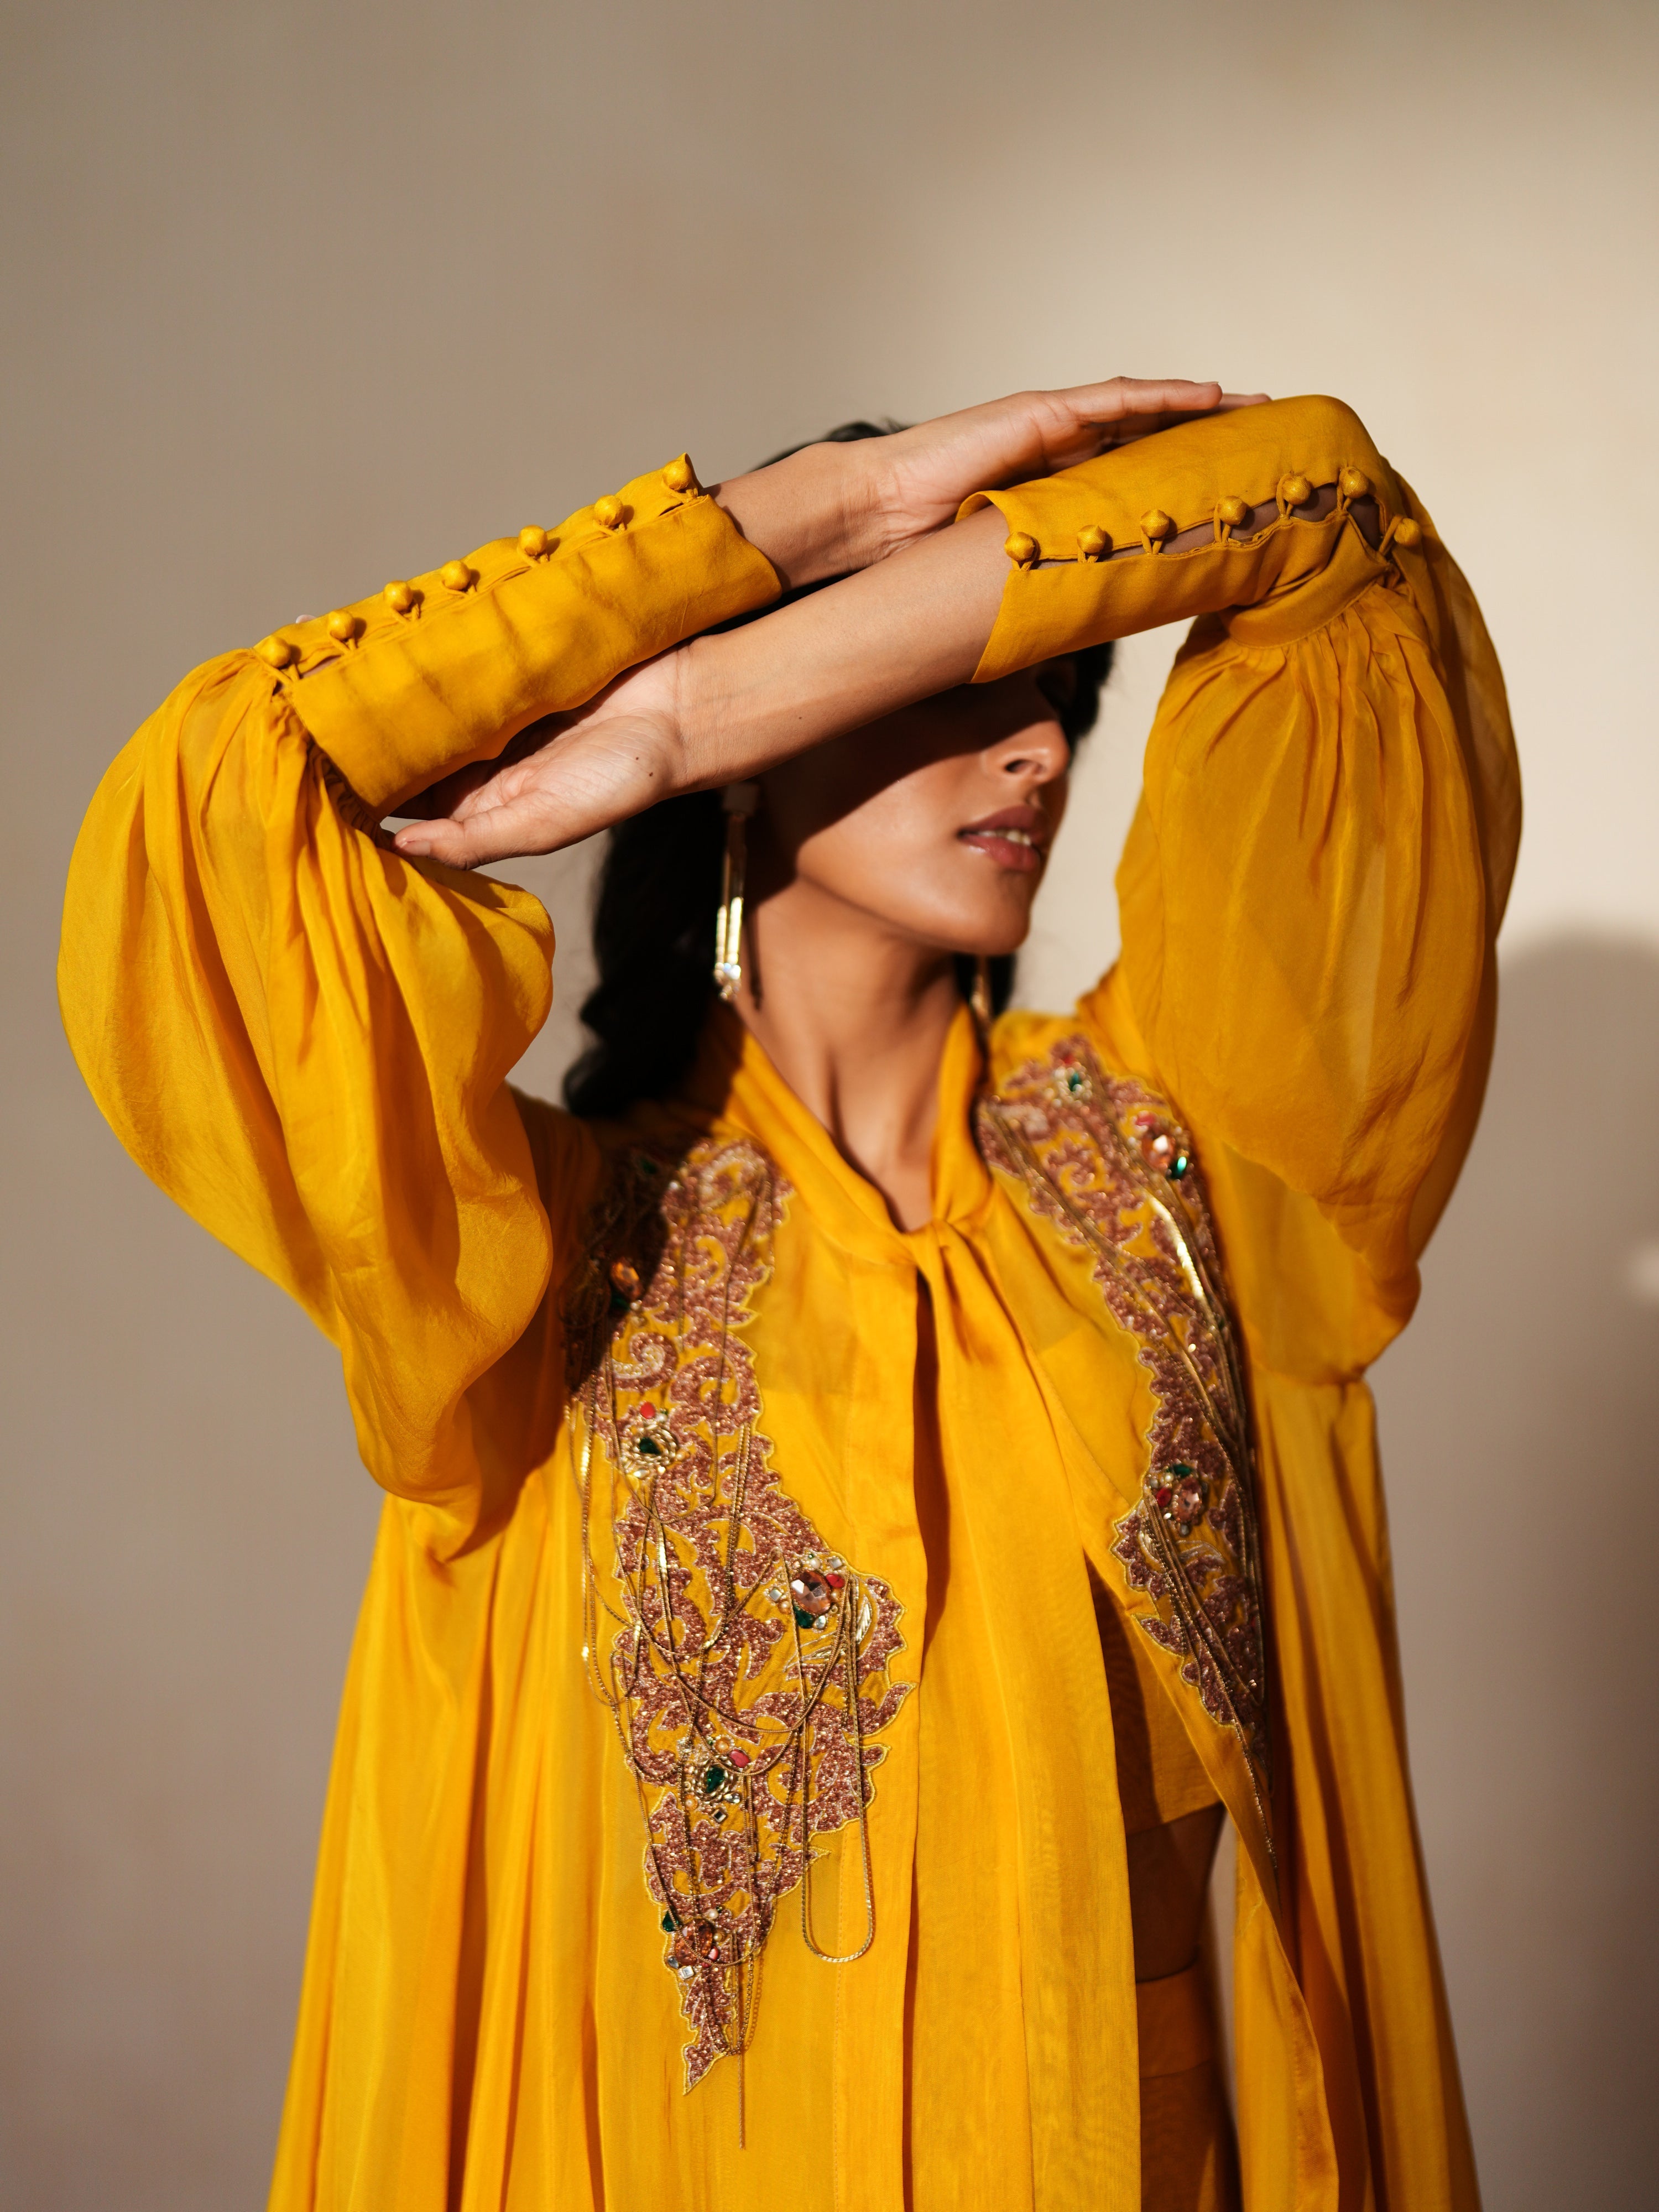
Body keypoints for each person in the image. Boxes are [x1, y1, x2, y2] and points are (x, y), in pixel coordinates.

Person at [59, 376, 1519, 2212]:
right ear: (764, 730)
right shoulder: (533, 1257)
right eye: (948, 683)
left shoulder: (1193, 1160)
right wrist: (796, 540)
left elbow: (1336, 515)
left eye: (1054, 694)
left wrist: (717, 702)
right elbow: (216, 799)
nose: (1038, 753)